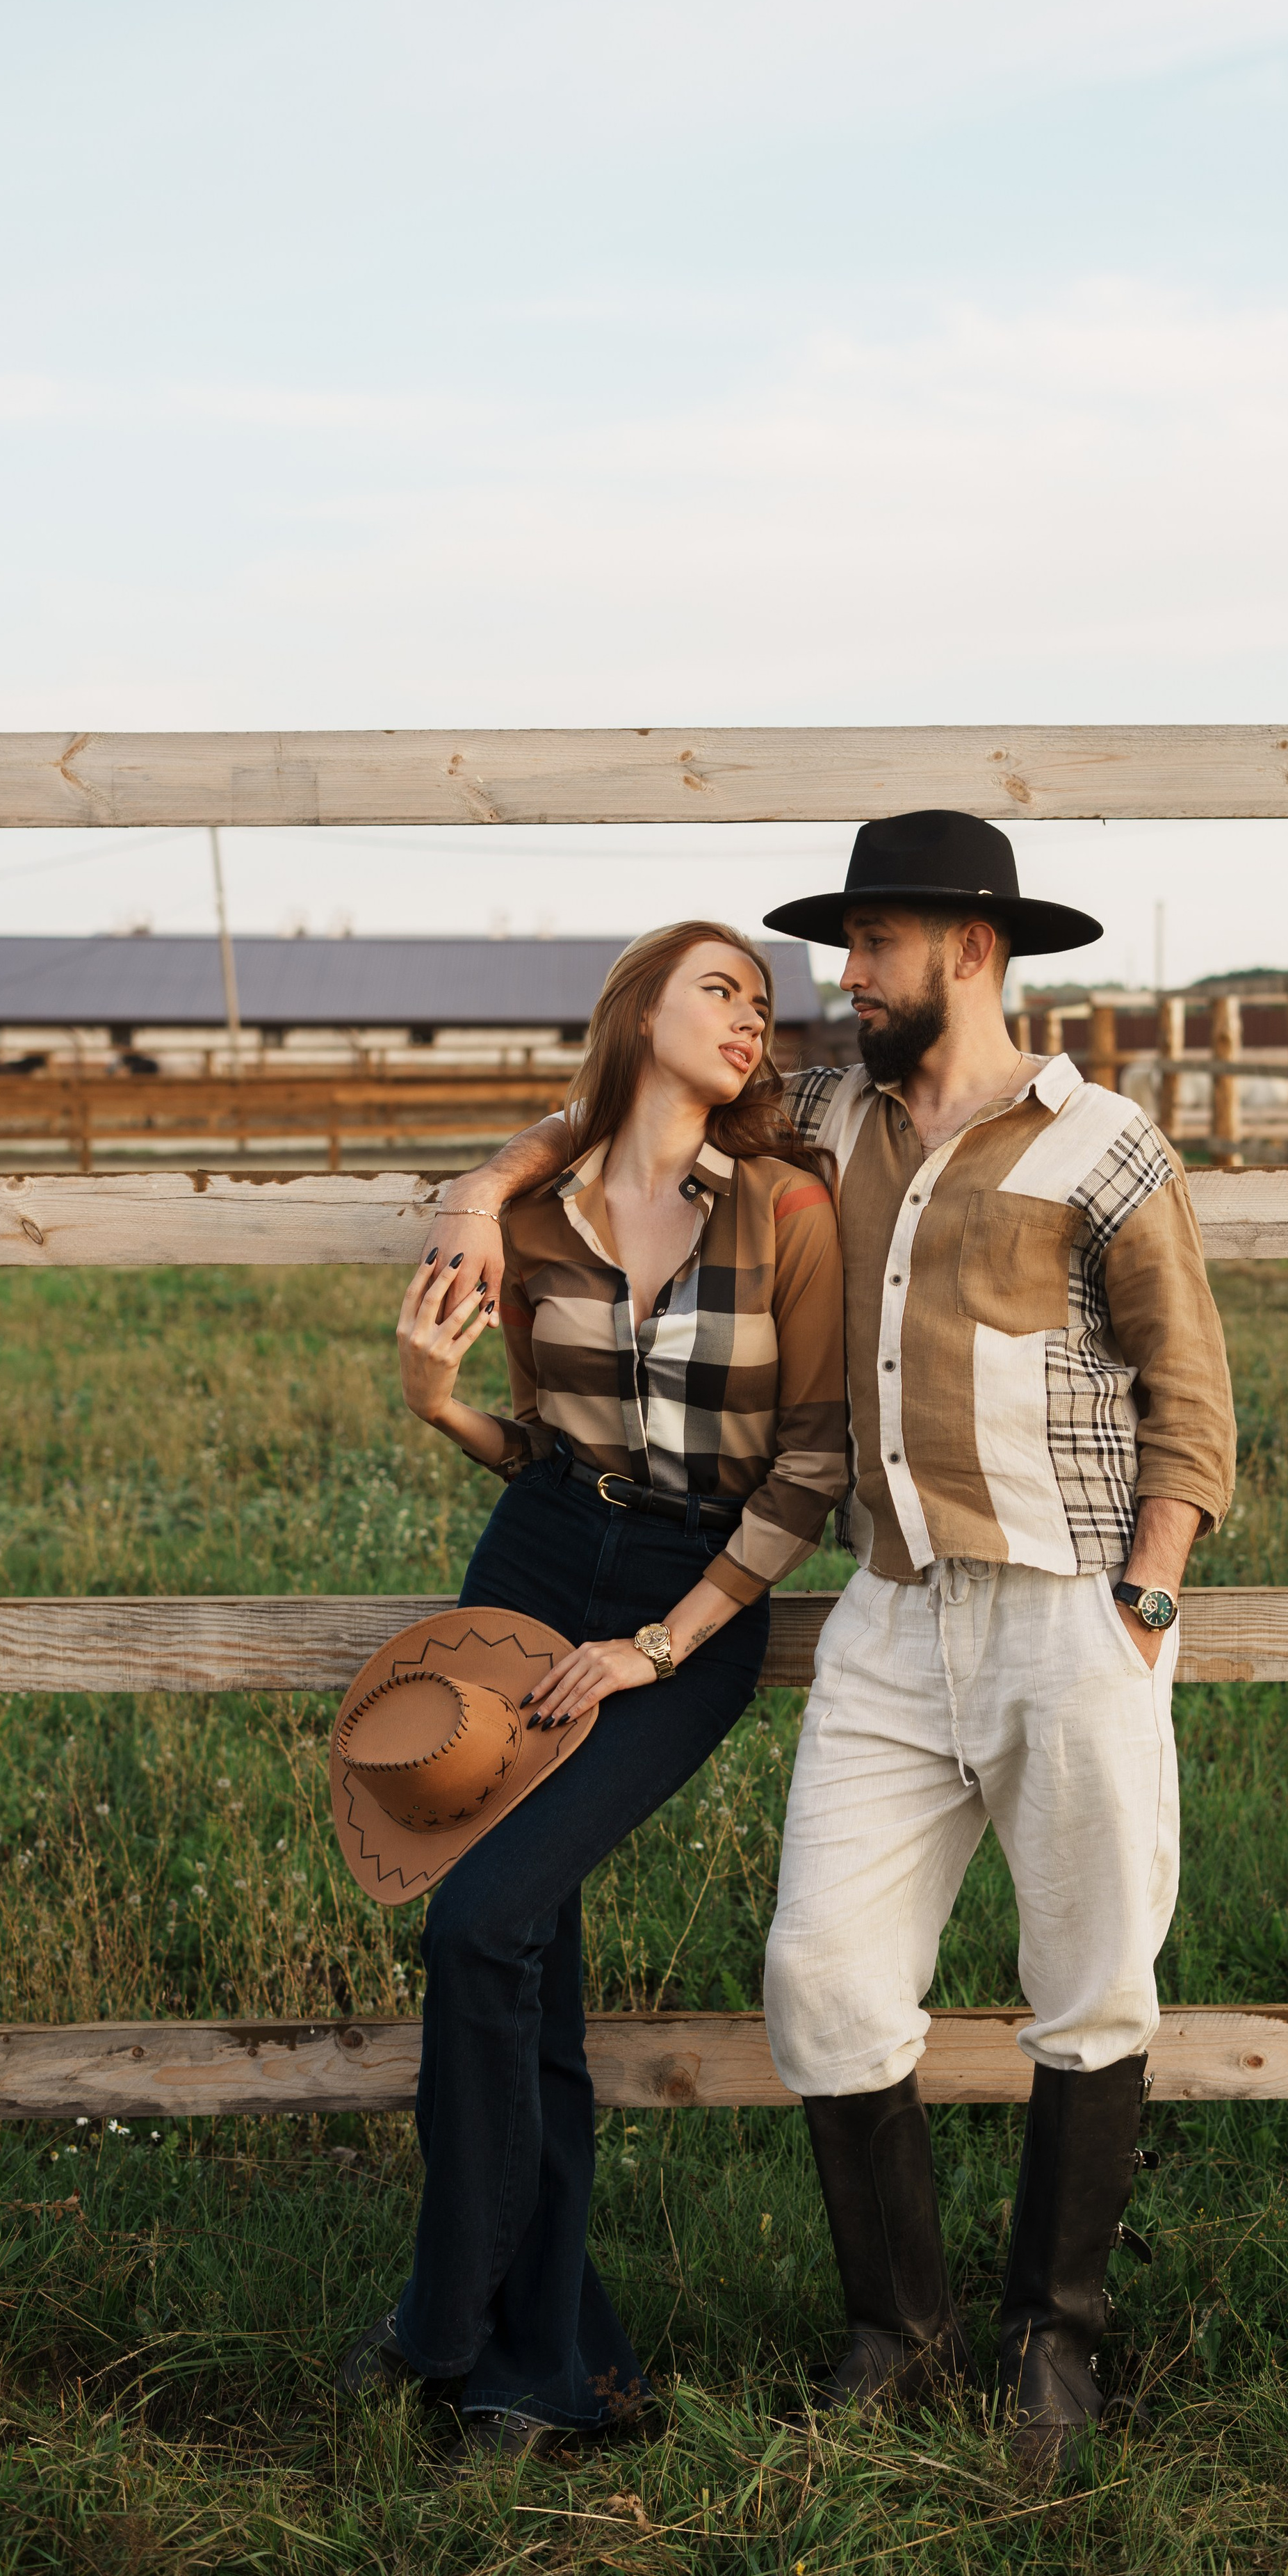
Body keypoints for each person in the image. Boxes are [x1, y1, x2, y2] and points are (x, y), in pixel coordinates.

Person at [424, 813, 1237, 2472]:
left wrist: (1144, 1598)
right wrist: (484, 1183)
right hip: (889, 1613)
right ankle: (899, 2332)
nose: (841, 974)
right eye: (842, 946)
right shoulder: (831, 1113)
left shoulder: (1105, 1146)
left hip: (1067, 1603)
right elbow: (621, 1108)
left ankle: (1051, 2346)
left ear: (971, 951)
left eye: (871, 945)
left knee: (1090, 1978)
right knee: (819, 1975)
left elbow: (1191, 1393)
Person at [341, 919, 846, 2469]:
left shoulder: (785, 1206)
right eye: (718, 990)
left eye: (762, 1003)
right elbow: (541, 1448)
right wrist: (437, 1407)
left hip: (690, 1596)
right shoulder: (533, 1219)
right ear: (637, 1013)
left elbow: (813, 1459)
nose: (751, 1019)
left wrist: (665, 1644)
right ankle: (556, 2367)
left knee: (479, 1925)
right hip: (534, 1568)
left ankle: (446, 2323)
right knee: (524, 1965)